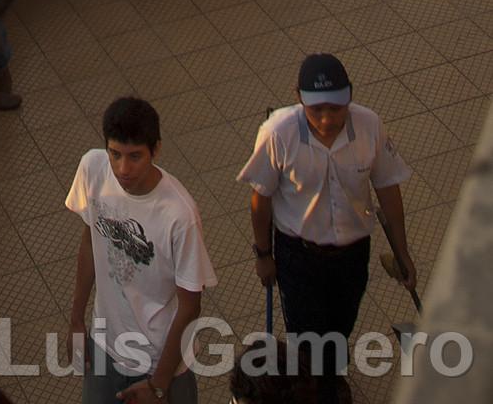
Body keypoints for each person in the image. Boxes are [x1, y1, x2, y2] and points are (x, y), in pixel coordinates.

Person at [239, 54, 415, 399]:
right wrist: (263, 254)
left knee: (340, 325)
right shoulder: (278, 132)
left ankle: (331, 377)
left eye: (336, 108)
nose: (326, 118)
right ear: (299, 97)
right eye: (316, 108)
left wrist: (402, 251)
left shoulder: (370, 126)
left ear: (350, 96)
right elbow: (260, 200)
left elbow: (388, 191)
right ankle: (314, 390)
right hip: (298, 255)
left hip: (352, 253)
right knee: (306, 338)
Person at [67, 95, 216, 404]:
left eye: (135, 156)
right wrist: (77, 319)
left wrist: (158, 385)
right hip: (105, 345)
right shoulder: (92, 168)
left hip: (161, 362)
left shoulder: (179, 215)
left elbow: (190, 306)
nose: (123, 169)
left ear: (156, 149)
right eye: (115, 154)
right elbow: (89, 241)